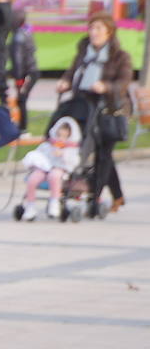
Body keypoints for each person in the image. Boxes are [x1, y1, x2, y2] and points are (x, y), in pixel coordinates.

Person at [52, 11, 133, 215]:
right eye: (91, 28)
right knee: (92, 147)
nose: (93, 32)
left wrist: (105, 86)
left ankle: (97, 196)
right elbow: (72, 72)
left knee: (104, 154)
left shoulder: (120, 57)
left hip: (110, 109)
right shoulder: (84, 53)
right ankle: (116, 194)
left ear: (109, 32)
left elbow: (123, 83)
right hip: (85, 106)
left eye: (98, 28)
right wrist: (65, 81)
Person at [19, 116, 80, 221]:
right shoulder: (49, 144)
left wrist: (63, 154)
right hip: (44, 168)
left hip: (60, 169)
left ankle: (54, 202)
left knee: (54, 176)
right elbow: (39, 154)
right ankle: (30, 205)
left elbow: (74, 161)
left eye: (64, 136)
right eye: (59, 135)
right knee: (32, 179)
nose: (61, 138)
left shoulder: (71, 147)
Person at [8, 8, 38, 133]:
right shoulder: (25, 33)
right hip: (29, 72)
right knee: (21, 99)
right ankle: (21, 125)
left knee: (22, 99)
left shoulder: (18, 38)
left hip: (26, 73)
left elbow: (18, 61)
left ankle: (22, 127)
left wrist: (19, 78)